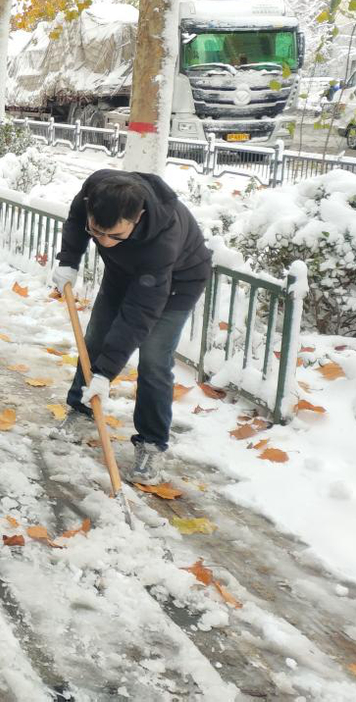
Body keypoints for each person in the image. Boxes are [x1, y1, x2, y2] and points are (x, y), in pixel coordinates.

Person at [50, 170, 212, 484]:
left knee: (153, 357)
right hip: (123, 273)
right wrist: (69, 259)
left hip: (178, 282)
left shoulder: (162, 241)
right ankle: (81, 409)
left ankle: (152, 442)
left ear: (138, 217)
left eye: (117, 237)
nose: (106, 243)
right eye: (98, 232)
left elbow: (139, 313)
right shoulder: (95, 191)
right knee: (95, 338)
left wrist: (105, 374)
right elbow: (74, 219)